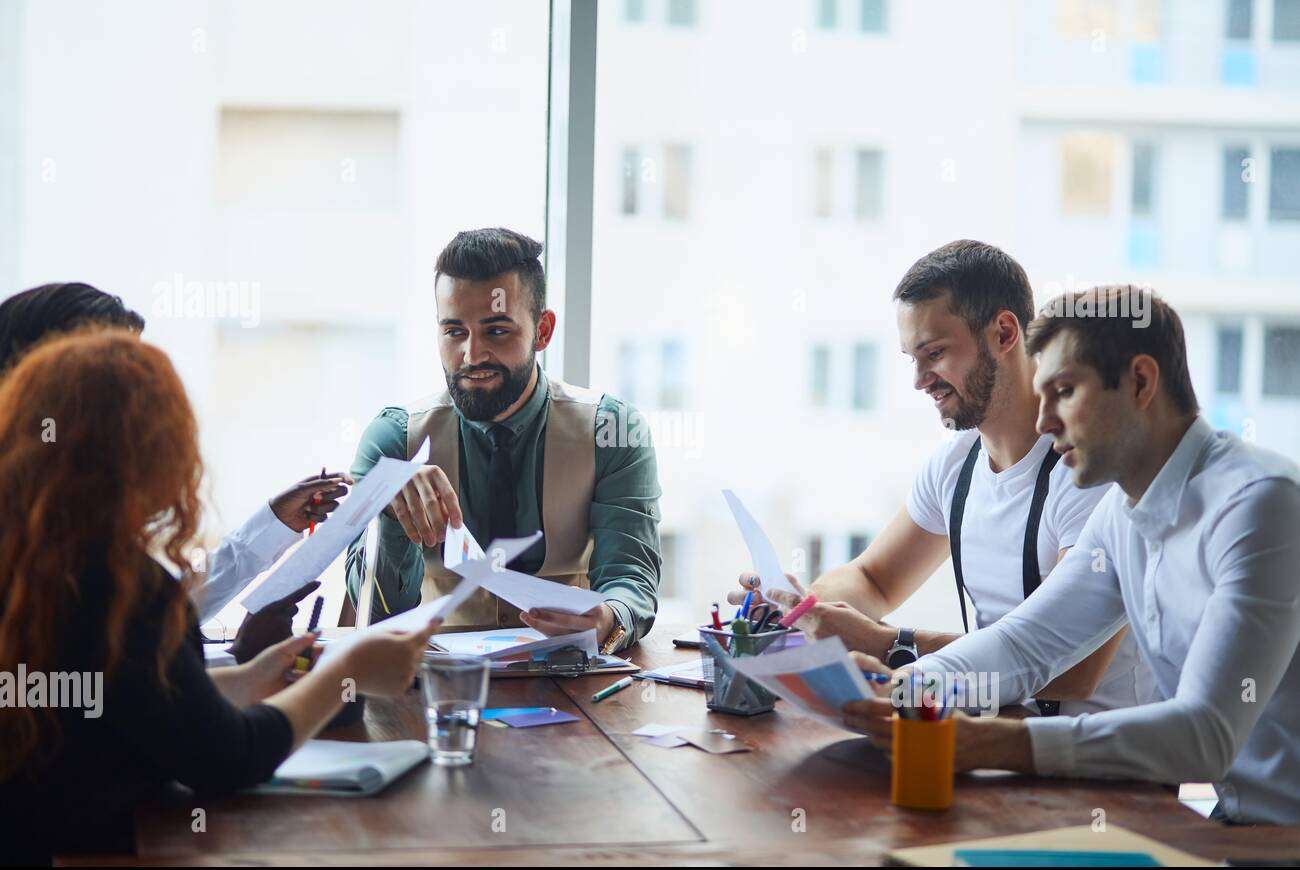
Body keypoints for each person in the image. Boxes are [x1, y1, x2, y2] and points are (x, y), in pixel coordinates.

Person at [843, 286, 1300, 825]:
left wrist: (995, 743)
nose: (1044, 422)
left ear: (1140, 382)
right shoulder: (1122, 512)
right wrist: (906, 687)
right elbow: (1025, 645)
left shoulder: (1261, 505)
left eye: (1064, 391)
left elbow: (1205, 736)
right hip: (1234, 830)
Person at [0, 331, 437, 865]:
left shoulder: (32, 564)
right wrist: (345, 672)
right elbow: (227, 757)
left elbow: (136, 698)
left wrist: (250, 678)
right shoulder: (120, 589)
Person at [734, 240, 1146, 716]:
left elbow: (1071, 669)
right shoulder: (956, 463)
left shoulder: (1089, 472)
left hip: (1095, 769)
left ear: (1005, 333)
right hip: (996, 735)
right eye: (912, 357)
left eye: (934, 353)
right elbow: (873, 579)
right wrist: (797, 609)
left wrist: (891, 644)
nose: (919, 380)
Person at [346, 227, 661, 654]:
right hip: (434, 690)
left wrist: (608, 617)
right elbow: (375, 612)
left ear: (543, 330)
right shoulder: (394, 440)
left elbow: (630, 577)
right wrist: (390, 513)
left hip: (575, 683)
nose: (472, 356)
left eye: (496, 331)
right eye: (455, 332)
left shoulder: (613, 431)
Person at [0, 281, 352, 624]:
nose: (142, 414)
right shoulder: (55, 550)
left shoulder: (70, 536)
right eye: (119, 387)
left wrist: (272, 524)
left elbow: (142, 630)